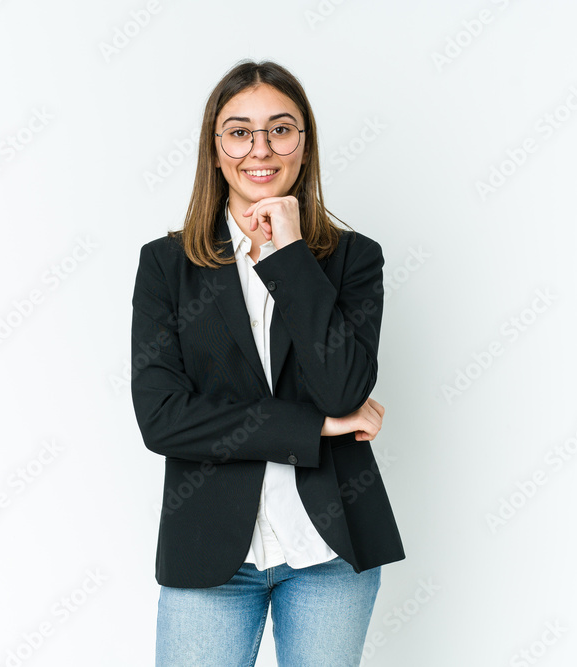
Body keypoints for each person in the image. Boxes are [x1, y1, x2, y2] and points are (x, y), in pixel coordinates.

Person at [130, 59, 405, 666]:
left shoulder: (354, 259)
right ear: (215, 148)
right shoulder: (166, 267)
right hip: (209, 552)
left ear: (304, 145)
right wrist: (314, 427)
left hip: (330, 553)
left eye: (281, 129)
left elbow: (343, 389)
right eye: (239, 132)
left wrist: (290, 255)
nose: (261, 148)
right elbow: (164, 420)